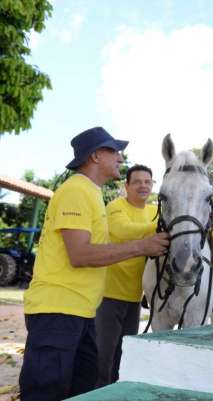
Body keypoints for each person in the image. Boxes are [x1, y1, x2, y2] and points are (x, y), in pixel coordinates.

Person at [19, 127, 169, 401]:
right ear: (97, 155)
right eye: (114, 151)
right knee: (45, 391)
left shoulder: (92, 194)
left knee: (83, 388)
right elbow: (80, 254)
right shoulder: (75, 191)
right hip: (57, 310)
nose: (120, 159)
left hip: (81, 311)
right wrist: (141, 246)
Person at [95, 164, 158, 387]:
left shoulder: (154, 211)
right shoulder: (115, 207)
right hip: (108, 295)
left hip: (135, 298)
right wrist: (161, 226)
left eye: (147, 182)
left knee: (123, 355)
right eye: (137, 182)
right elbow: (124, 230)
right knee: (102, 356)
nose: (143, 186)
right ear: (127, 186)